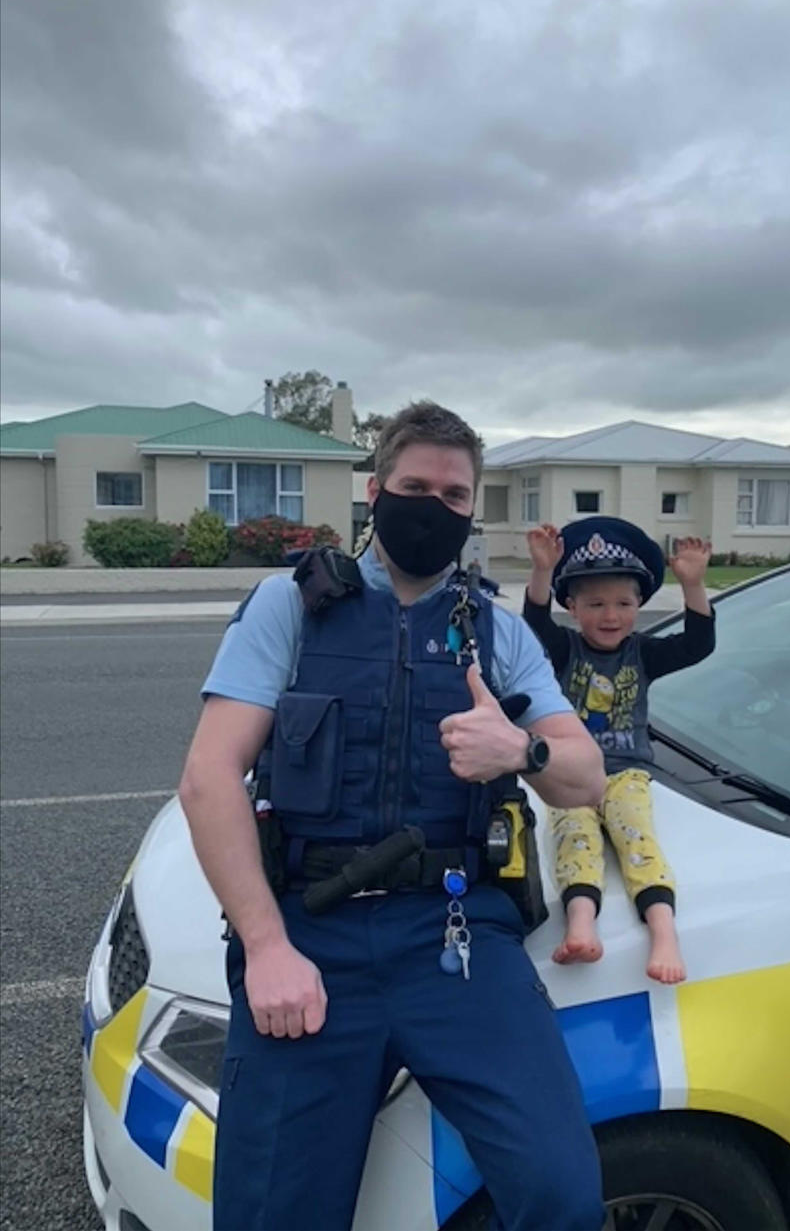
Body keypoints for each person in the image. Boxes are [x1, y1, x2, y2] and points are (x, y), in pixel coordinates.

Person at [178, 402, 608, 1231]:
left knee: (562, 1195)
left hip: (454, 936)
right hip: (314, 934)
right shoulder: (289, 607)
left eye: (454, 495)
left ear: (472, 508)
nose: (434, 506)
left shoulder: (498, 632)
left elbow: (585, 776)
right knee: (269, 1216)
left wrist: (522, 750)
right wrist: (267, 948)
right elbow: (208, 778)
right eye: (416, 485)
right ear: (374, 489)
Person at [523, 518, 715, 984]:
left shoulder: (642, 653)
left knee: (638, 839)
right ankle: (581, 926)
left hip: (627, 772)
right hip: (573, 774)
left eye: (624, 604)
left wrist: (693, 584)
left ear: (639, 605)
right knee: (575, 836)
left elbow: (697, 644)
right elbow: (534, 626)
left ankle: (664, 934)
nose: (611, 616)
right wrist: (543, 572)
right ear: (572, 606)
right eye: (596, 604)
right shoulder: (565, 650)